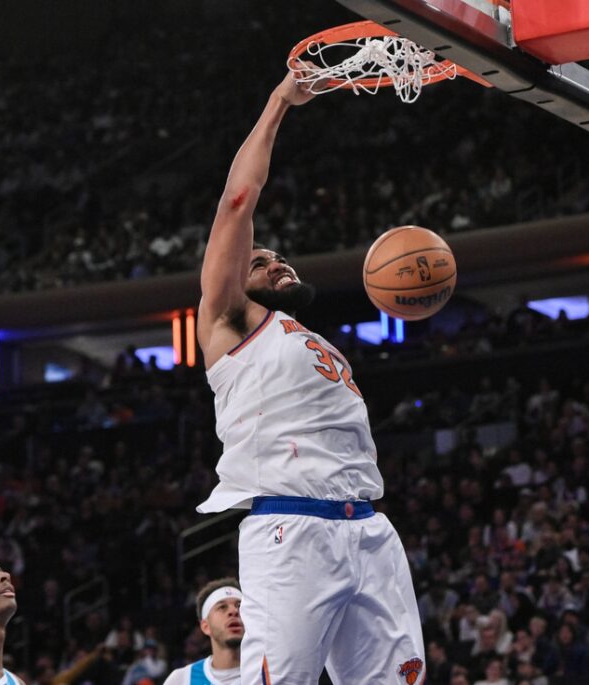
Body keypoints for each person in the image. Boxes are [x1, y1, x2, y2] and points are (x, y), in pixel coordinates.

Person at [194, 70, 423, 684]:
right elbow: (237, 201)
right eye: (260, 261)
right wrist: (277, 104)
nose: (276, 261)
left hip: (369, 528)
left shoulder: (313, 340)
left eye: (278, 256)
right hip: (291, 531)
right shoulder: (228, 321)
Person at [163, 579, 244, 685]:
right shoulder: (181, 680)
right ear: (206, 627)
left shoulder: (268, 673)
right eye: (222, 607)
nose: (234, 611)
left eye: (239, 606)